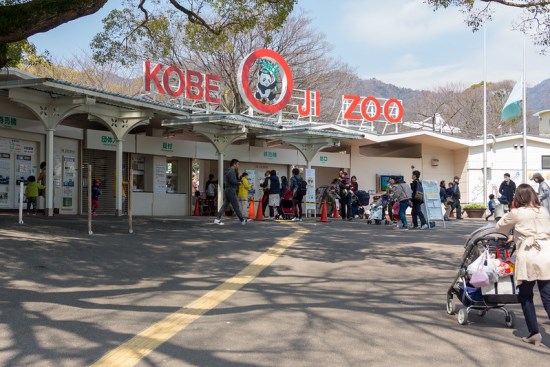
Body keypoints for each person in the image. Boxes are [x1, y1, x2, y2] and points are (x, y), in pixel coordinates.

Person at [496, 184, 550, 346]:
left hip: (529, 256)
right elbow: (536, 229)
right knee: (547, 297)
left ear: (518, 197)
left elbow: (500, 228)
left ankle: (534, 333)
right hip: (546, 254)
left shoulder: (516, 213)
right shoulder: (543, 210)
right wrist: (517, 235)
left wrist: (513, 234)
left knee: (526, 296)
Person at [214, 159, 249, 225]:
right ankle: (242, 220)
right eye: (237, 164)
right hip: (231, 190)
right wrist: (238, 182)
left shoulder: (229, 171)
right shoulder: (231, 171)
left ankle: (217, 219)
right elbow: (232, 181)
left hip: (228, 189)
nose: (238, 166)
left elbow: (231, 180)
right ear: (234, 164)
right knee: (236, 206)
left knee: (224, 206)